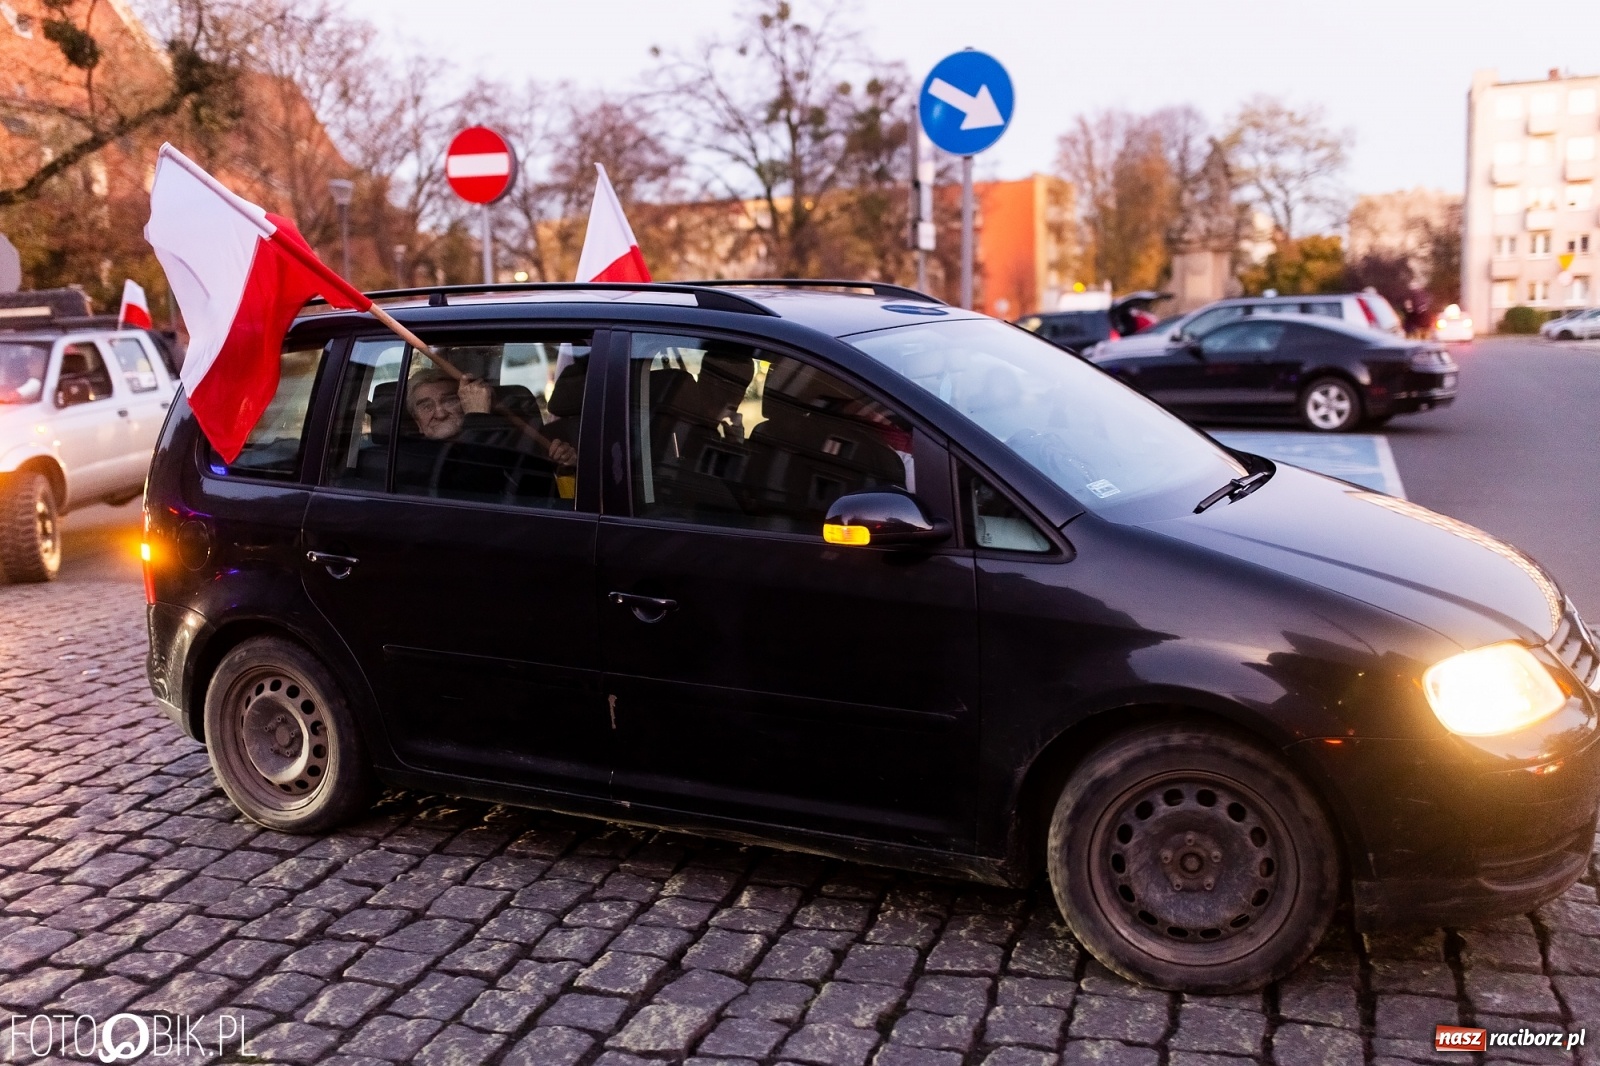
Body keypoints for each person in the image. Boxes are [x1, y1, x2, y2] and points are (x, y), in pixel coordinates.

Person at [404, 368, 576, 466]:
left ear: (466, 403)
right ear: (417, 422)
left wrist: (562, 465)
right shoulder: (410, 462)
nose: (440, 413)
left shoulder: (511, 445)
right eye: (426, 406)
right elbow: (475, 480)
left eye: (450, 401)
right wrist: (477, 418)